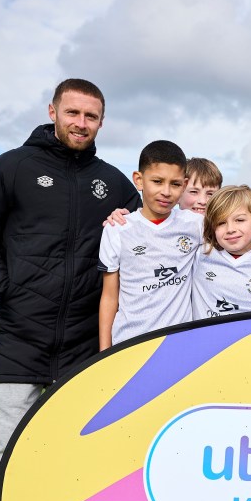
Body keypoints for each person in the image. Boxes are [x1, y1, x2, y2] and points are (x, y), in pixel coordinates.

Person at [0, 79, 140, 501]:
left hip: (85, 339)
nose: (82, 123)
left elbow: (143, 240)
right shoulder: (10, 167)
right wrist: (3, 290)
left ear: (102, 122)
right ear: (53, 110)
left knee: (78, 449)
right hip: (20, 333)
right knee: (5, 450)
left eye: (92, 116)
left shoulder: (113, 182)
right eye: (74, 112)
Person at [98, 140, 200, 349]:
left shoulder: (196, 225)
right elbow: (109, 297)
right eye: (157, 181)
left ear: (184, 184)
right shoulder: (117, 229)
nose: (166, 191)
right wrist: (104, 353)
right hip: (128, 345)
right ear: (139, 180)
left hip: (179, 346)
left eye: (175, 184)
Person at [191, 185, 251, 319]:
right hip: (207, 339)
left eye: (239, 220)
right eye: (221, 223)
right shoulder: (199, 254)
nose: (230, 229)